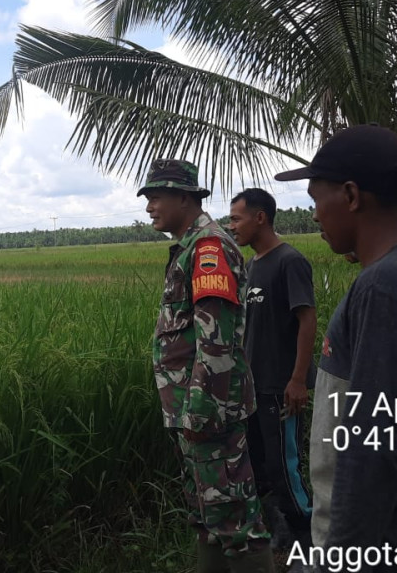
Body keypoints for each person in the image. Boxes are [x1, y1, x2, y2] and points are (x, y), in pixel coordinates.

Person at [275, 125, 397, 572]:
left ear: (350, 195)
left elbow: (371, 451)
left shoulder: (385, 286)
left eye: (314, 200)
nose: (314, 216)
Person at [139, 159, 275, 573]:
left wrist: (200, 411)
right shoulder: (191, 246)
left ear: (185, 198)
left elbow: (216, 342)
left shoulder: (208, 248)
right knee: (205, 510)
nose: (149, 207)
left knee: (233, 515)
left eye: (156, 197)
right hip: (190, 410)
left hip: (208, 411)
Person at [227, 188, 316, 551]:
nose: (231, 226)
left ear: (260, 217)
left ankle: (308, 537)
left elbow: (307, 320)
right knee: (260, 465)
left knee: (284, 465)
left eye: (236, 218)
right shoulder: (252, 266)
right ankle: (282, 528)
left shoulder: (289, 261)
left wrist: (297, 380)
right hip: (253, 386)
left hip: (281, 386)